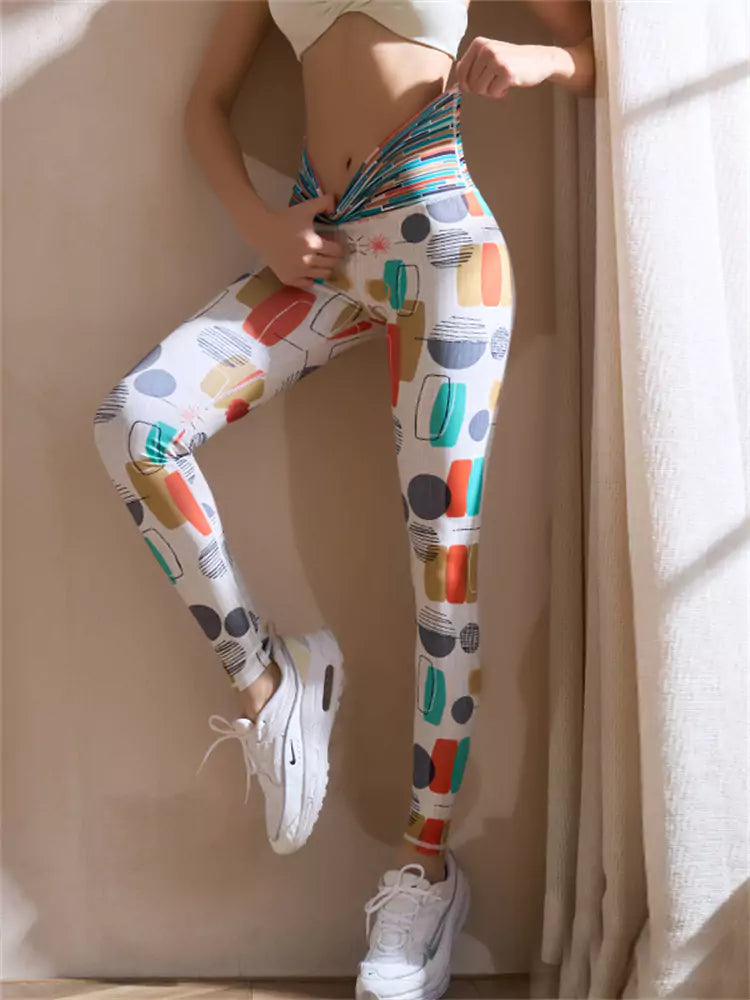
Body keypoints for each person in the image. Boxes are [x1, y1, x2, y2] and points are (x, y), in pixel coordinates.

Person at [93, 1, 594, 996]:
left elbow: (594, 48)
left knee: (443, 558)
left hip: (444, 246)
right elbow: (206, 105)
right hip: (320, 248)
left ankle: (423, 870)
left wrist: (538, 61)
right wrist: (263, 227)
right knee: (135, 423)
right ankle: (269, 681)